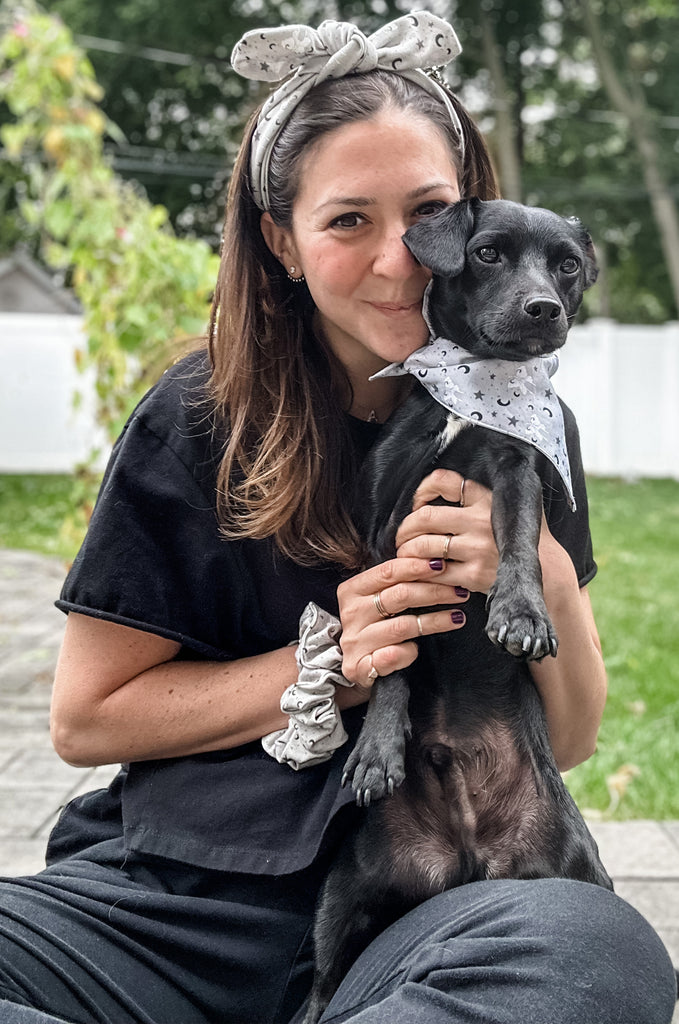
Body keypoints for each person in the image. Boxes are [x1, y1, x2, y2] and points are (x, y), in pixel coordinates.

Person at [0, 12, 675, 1024]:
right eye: (349, 220)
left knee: (594, 950)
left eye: (428, 212)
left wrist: (538, 566)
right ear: (281, 241)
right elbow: (87, 718)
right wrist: (328, 664)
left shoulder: (524, 423)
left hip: (423, 912)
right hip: (181, 903)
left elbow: (569, 737)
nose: (400, 259)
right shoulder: (200, 418)